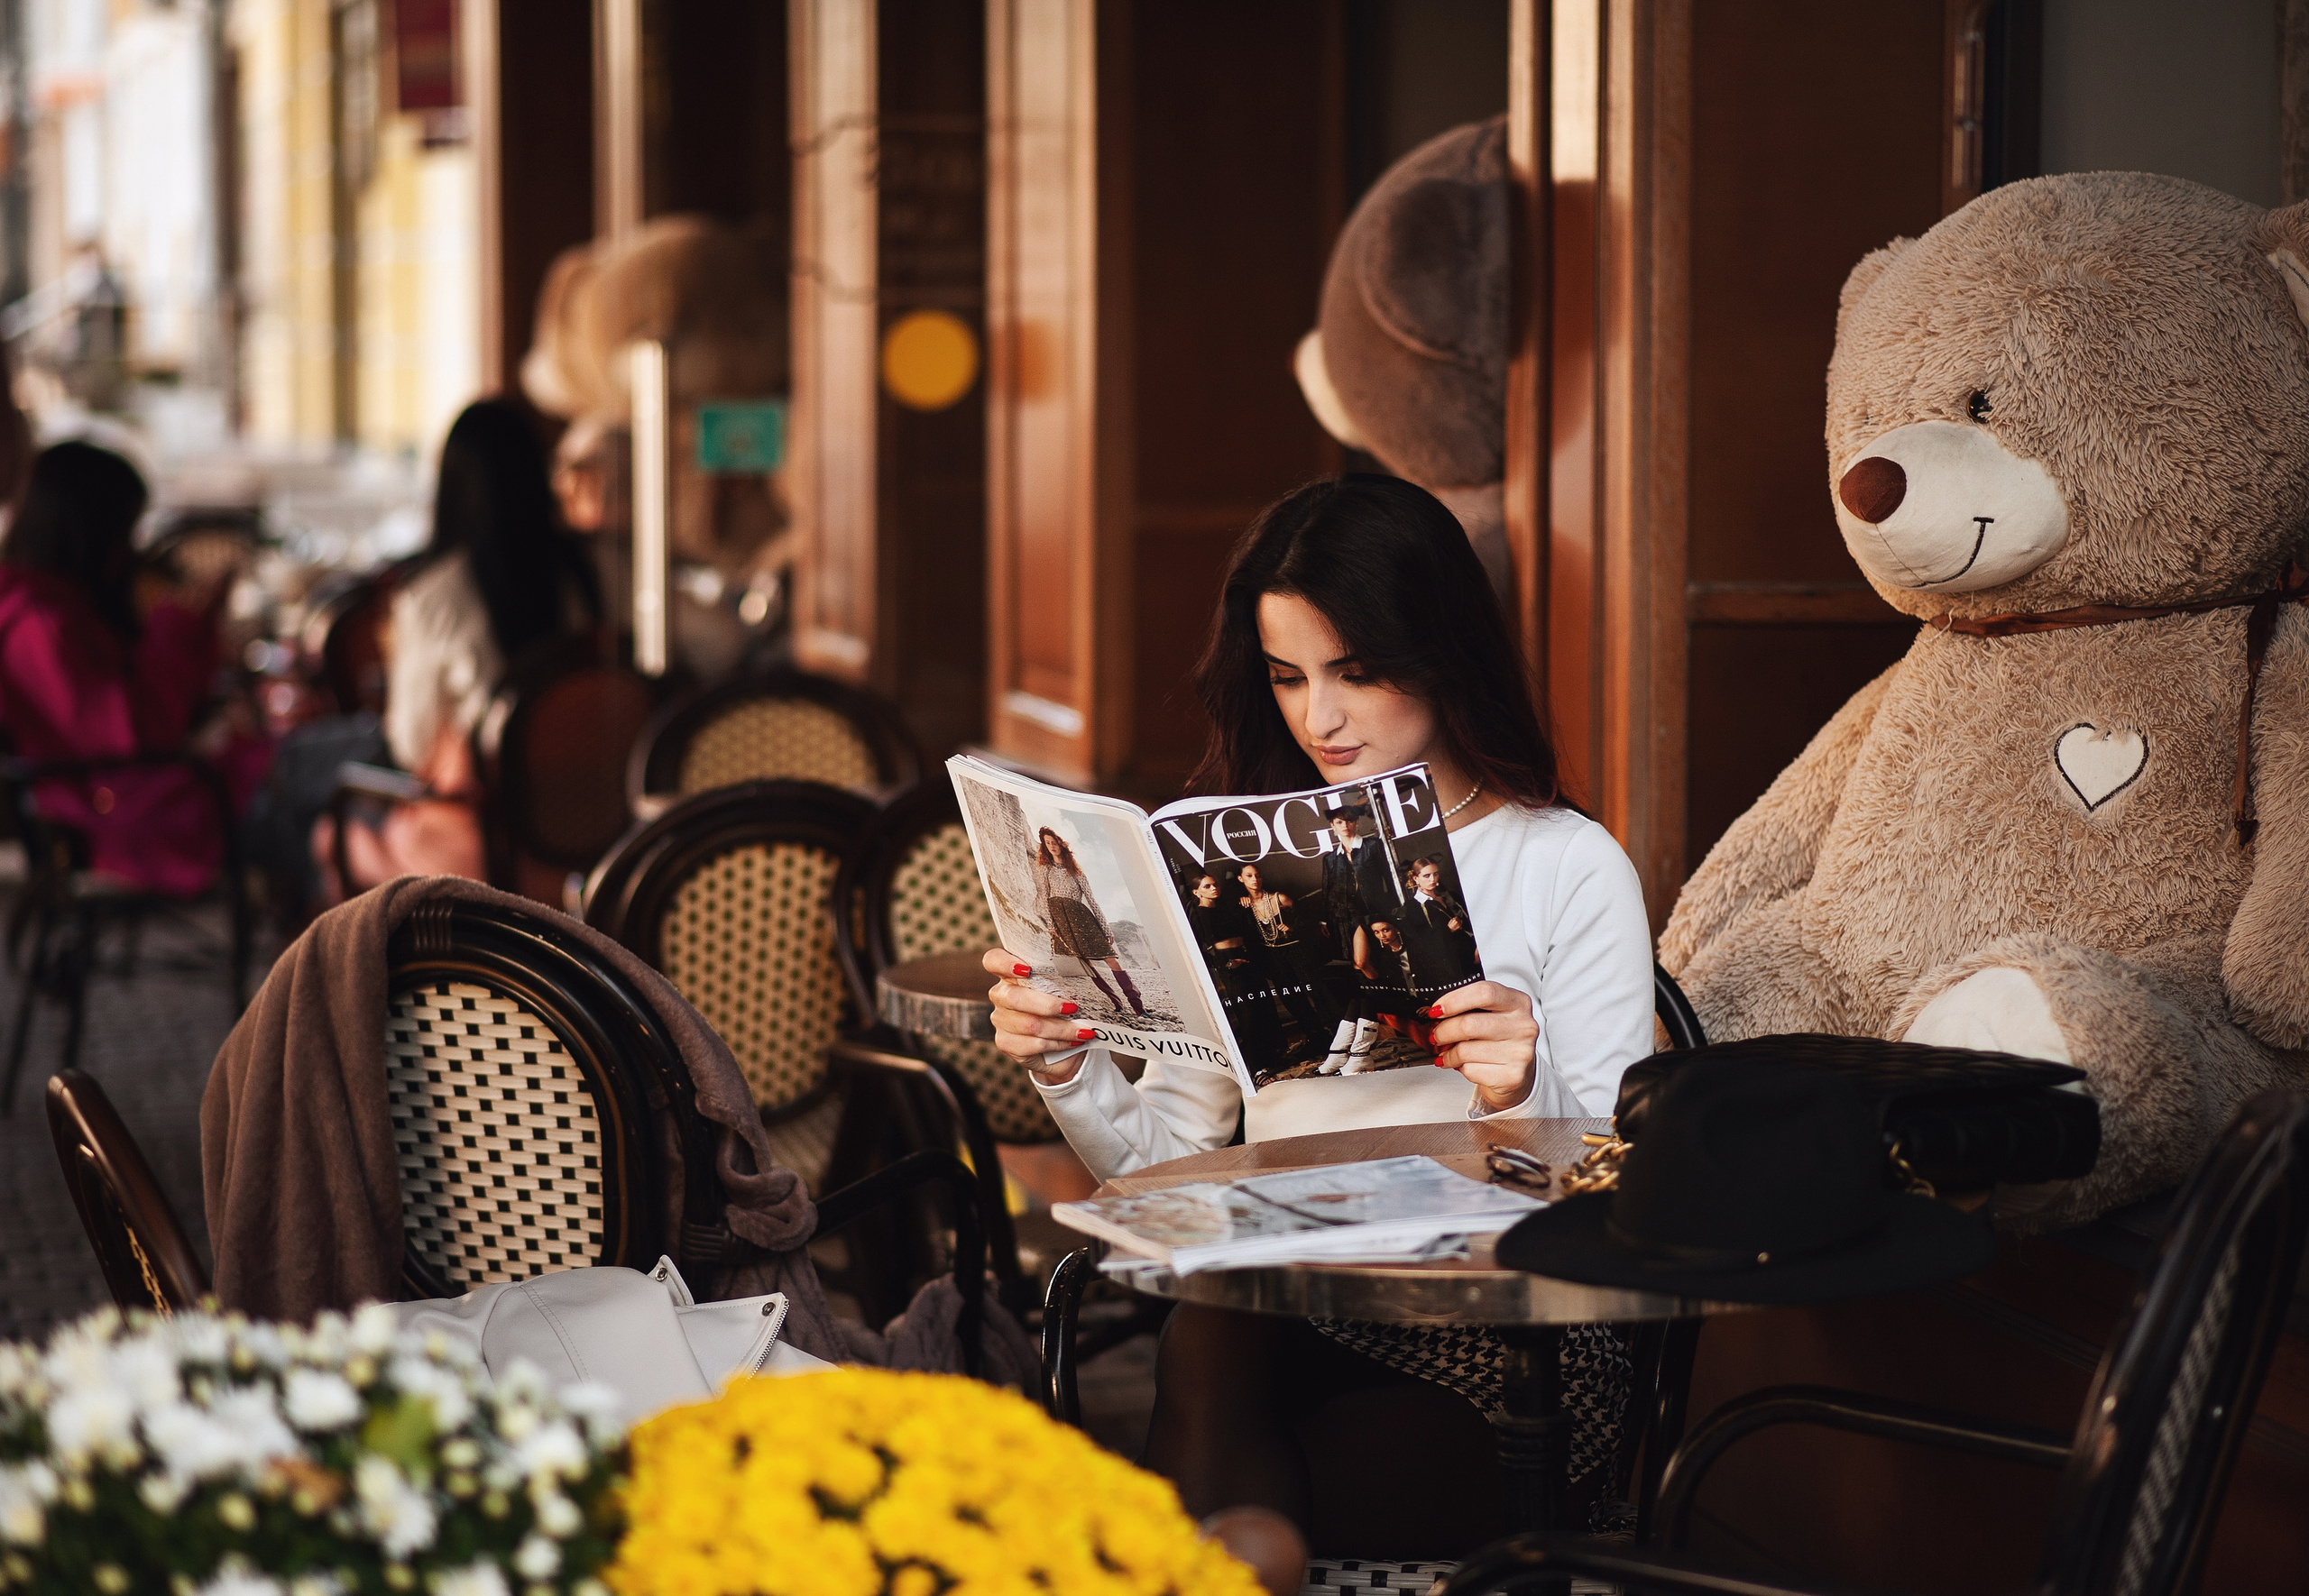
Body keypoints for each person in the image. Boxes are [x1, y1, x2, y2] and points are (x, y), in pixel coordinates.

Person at [980, 474, 1653, 1554]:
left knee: (1210, 1389)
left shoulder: (1565, 862)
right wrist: (1070, 1067)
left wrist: (1520, 1089)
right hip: (1284, 1311)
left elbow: (1619, 1179)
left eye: (1357, 672)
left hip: (1508, 1329)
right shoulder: (1233, 854)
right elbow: (1158, 1167)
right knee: (1217, 1332)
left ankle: (1237, 1560)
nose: (1319, 718)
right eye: (1287, 677)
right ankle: (1247, 1560)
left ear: (1441, 654)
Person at [316, 399, 600, 893]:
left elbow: (412, 743)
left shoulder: (432, 596)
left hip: (485, 846)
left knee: (325, 828)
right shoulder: (592, 572)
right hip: (591, 832)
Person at [0, 441, 248, 897]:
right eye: (125, 531)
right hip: (135, 817)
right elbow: (137, 734)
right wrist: (180, 623)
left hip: (143, 800)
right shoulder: (38, 622)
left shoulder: (56, 607)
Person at [1033, 825, 1145, 1018]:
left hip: (1081, 918)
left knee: (1111, 960)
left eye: (1054, 842)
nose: (1051, 846)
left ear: (1061, 843)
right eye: (1047, 843)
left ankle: (1137, 1006)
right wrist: (1051, 925)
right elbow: (1044, 896)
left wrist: (1105, 928)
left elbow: (1092, 900)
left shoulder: (1076, 871)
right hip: (1061, 920)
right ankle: (1116, 1002)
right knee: (1087, 965)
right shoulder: (1046, 869)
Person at [1397, 854, 1480, 991]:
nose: (1433, 879)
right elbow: (1423, 945)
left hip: (1477, 955)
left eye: (1436, 874)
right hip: (1454, 968)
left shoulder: (1451, 897)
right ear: (1415, 878)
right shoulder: (1412, 908)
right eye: (1427, 875)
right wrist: (1448, 931)